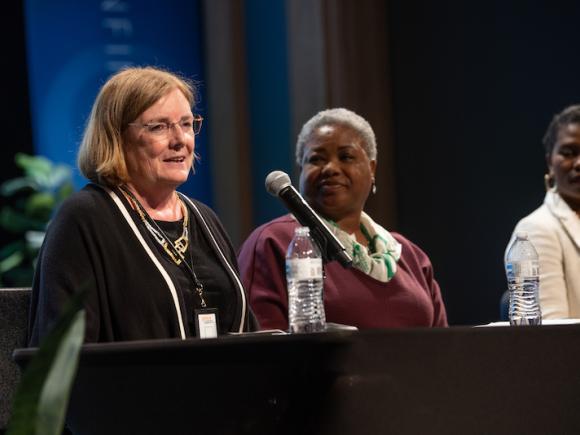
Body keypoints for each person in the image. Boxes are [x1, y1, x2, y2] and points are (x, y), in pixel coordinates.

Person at [28, 66, 256, 344]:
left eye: (186, 124)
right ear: (117, 136)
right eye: (159, 127)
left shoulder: (203, 218)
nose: (180, 140)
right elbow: (61, 356)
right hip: (133, 387)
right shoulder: (85, 219)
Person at [238, 108, 448, 330]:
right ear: (301, 170)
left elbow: (443, 349)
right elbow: (261, 349)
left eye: (346, 156)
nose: (330, 168)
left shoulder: (409, 255)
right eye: (316, 159)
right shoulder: (274, 241)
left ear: (372, 168)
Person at [507, 105, 580, 319]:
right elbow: (552, 334)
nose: (579, 163)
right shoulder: (535, 230)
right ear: (550, 161)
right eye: (569, 152)